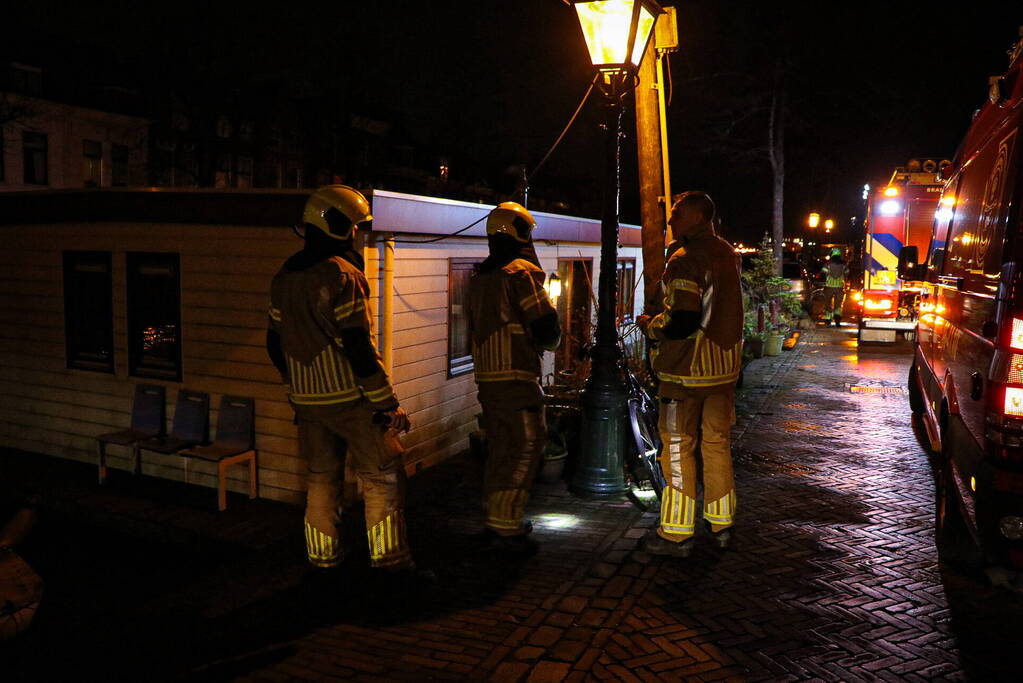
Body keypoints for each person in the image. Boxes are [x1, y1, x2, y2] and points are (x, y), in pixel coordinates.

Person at [266, 185, 415, 574]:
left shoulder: (284, 278)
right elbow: (358, 347)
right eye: (353, 225)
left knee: (321, 481)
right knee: (383, 478)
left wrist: (295, 388)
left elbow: (274, 343)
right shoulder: (343, 274)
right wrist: (387, 403)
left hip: (308, 404)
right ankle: (391, 567)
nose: (356, 233)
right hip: (351, 400)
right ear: (335, 224)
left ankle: (323, 562)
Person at [636, 191, 743, 557]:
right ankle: (721, 521)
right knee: (717, 444)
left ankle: (677, 531)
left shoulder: (684, 260)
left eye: (677, 214)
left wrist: (651, 326)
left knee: (678, 447)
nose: (670, 221)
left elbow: (682, 319)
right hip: (723, 371)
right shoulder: (727, 253)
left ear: (698, 216)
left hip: (684, 373)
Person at [466, 202, 561, 553]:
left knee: (500, 448)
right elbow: (544, 325)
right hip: (518, 376)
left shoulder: (479, 278)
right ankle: (508, 524)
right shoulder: (521, 272)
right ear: (518, 232)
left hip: (487, 379)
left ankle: (494, 515)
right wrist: (553, 332)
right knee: (526, 445)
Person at [821, 250, 847, 326]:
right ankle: (837, 319)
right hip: (839, 287)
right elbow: (847, 273)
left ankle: (828, 319)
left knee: (827, 303)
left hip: (829, 287)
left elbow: (823, 273)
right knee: (838, 304)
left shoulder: (827, 264)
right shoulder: (843, 265)